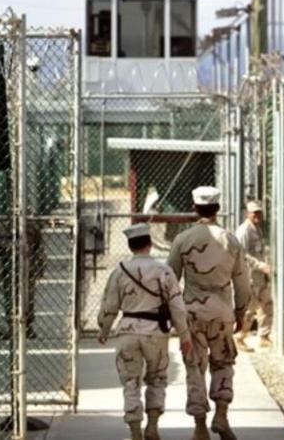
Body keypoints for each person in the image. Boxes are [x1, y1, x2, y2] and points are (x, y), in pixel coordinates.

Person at [167, 186, 251, 440]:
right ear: (218, 208)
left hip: (192, 314)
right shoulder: (230, 240)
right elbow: (242, 282)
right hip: (222, 312)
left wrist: (171, 315)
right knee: (223, 363)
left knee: (194, 366)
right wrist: (240, 312)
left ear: (194, 208)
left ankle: (200, 426)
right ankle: (221, 415)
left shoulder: (183, 239)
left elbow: (171, 281)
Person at [98, 223, 192, 440]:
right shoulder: (164, 271)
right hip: (155, 333)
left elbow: (110, 306)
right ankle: (152, 426)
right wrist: (184, 335)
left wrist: (104, 330)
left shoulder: (120, 271)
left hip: (128, 332)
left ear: (130, 246)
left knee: (131, 383)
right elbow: (177, 307)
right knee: (157, 378)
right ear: (150, 244)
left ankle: (134, 431)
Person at [235, 200, 273, 352]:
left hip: (259, 276)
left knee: (267, 304)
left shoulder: (257, 228)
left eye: (259, 212)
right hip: (249, 276)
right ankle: (239, 337)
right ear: (247, 214)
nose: (257, 215)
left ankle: (264, 336)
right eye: (254, 213)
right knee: (249, 309)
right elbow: (242, 254)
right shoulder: (244, 231)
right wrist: (260, 265)